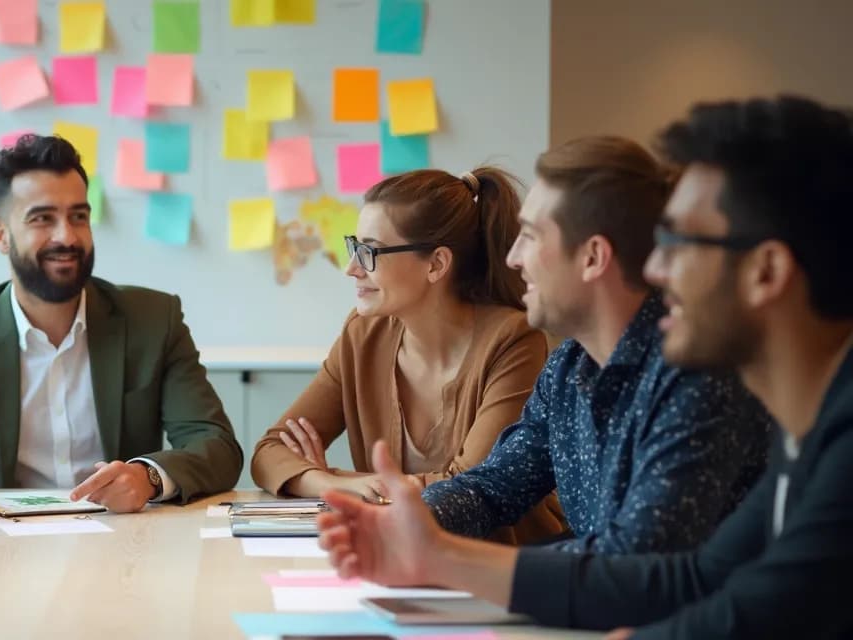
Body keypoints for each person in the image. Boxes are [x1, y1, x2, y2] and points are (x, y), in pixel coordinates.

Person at [318, 95, 853, 639]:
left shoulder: (741, 392)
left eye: (681, 242)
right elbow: (701, 580)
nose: (657, 266)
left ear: (766, 271)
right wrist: (424, 538)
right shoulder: (804, 432)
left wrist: (443, 556)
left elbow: (667, 578)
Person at [0, 134, 242, 516]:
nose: (66, 236)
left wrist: (149, 477)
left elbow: (218, 446)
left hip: (123, 538)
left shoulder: (153, 320)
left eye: (78, 216)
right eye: (42, 218)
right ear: (1, 235)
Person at [414, 136, 772, 553]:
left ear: (593, 257)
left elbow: (636, 555)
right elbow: (494, 488)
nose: (513, 258)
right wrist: (407, 518)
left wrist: (462, 563)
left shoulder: (699, 371)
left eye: (530, 236)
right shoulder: (568, 366)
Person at [249, 166, 565, 544]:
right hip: (400, 554)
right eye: (354, 247)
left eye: (369, 252)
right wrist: (329, 484)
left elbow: (468, 490)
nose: (351, 269)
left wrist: (340, 478)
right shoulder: (363, 334)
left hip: (499, 561)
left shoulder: (513, 341)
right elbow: (270, 453)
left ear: (436, 264)